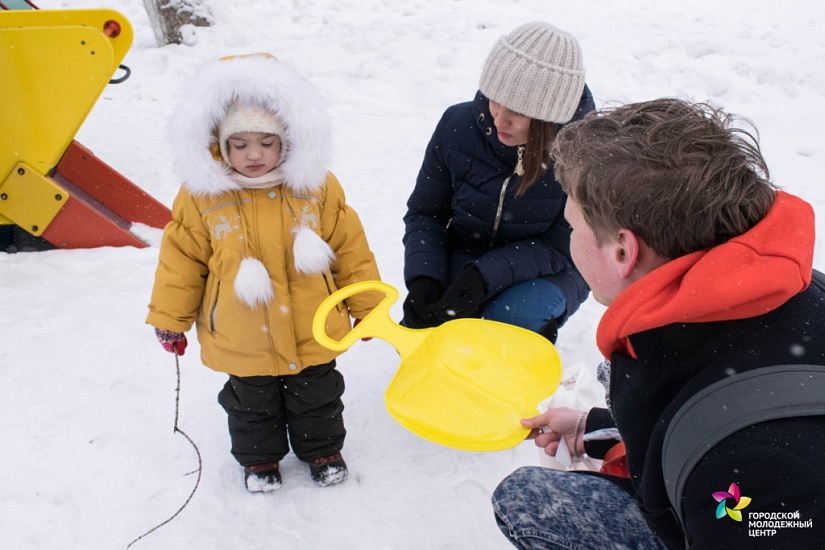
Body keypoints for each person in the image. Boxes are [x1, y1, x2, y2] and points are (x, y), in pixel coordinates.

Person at [491, 98, 825, 548]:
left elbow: (751, 484)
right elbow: (706, 396)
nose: (570, 241)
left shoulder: (757, 472)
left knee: (525, 502)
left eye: (573, 228)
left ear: (623, 252)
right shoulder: (786, 287)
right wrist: (598, 429)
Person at [146, 53, 382, 493]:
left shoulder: (315, 188)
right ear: (219, 145)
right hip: (242, 332)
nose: (254, 155)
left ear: (289, 140)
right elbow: (182, 261)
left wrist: (367, 306)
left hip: (313, 325)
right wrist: (169, 318)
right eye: (240, 144)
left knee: (318, 395)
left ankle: (322, 451)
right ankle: (260, 461)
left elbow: (350, 248)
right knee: (251, 404)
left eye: (267, 142)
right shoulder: (202, 197)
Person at [401, 22, 594, 342]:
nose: (498, 119)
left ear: (548, 115)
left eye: (517, 111)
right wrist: (425, 278)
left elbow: (563, 246)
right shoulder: (457, 126)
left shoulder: (581, 156)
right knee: (421, 334)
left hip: (550, 268)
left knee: (508, 325)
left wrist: (483, 277)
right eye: (495, 99)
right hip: (468, 255)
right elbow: (426, 213)